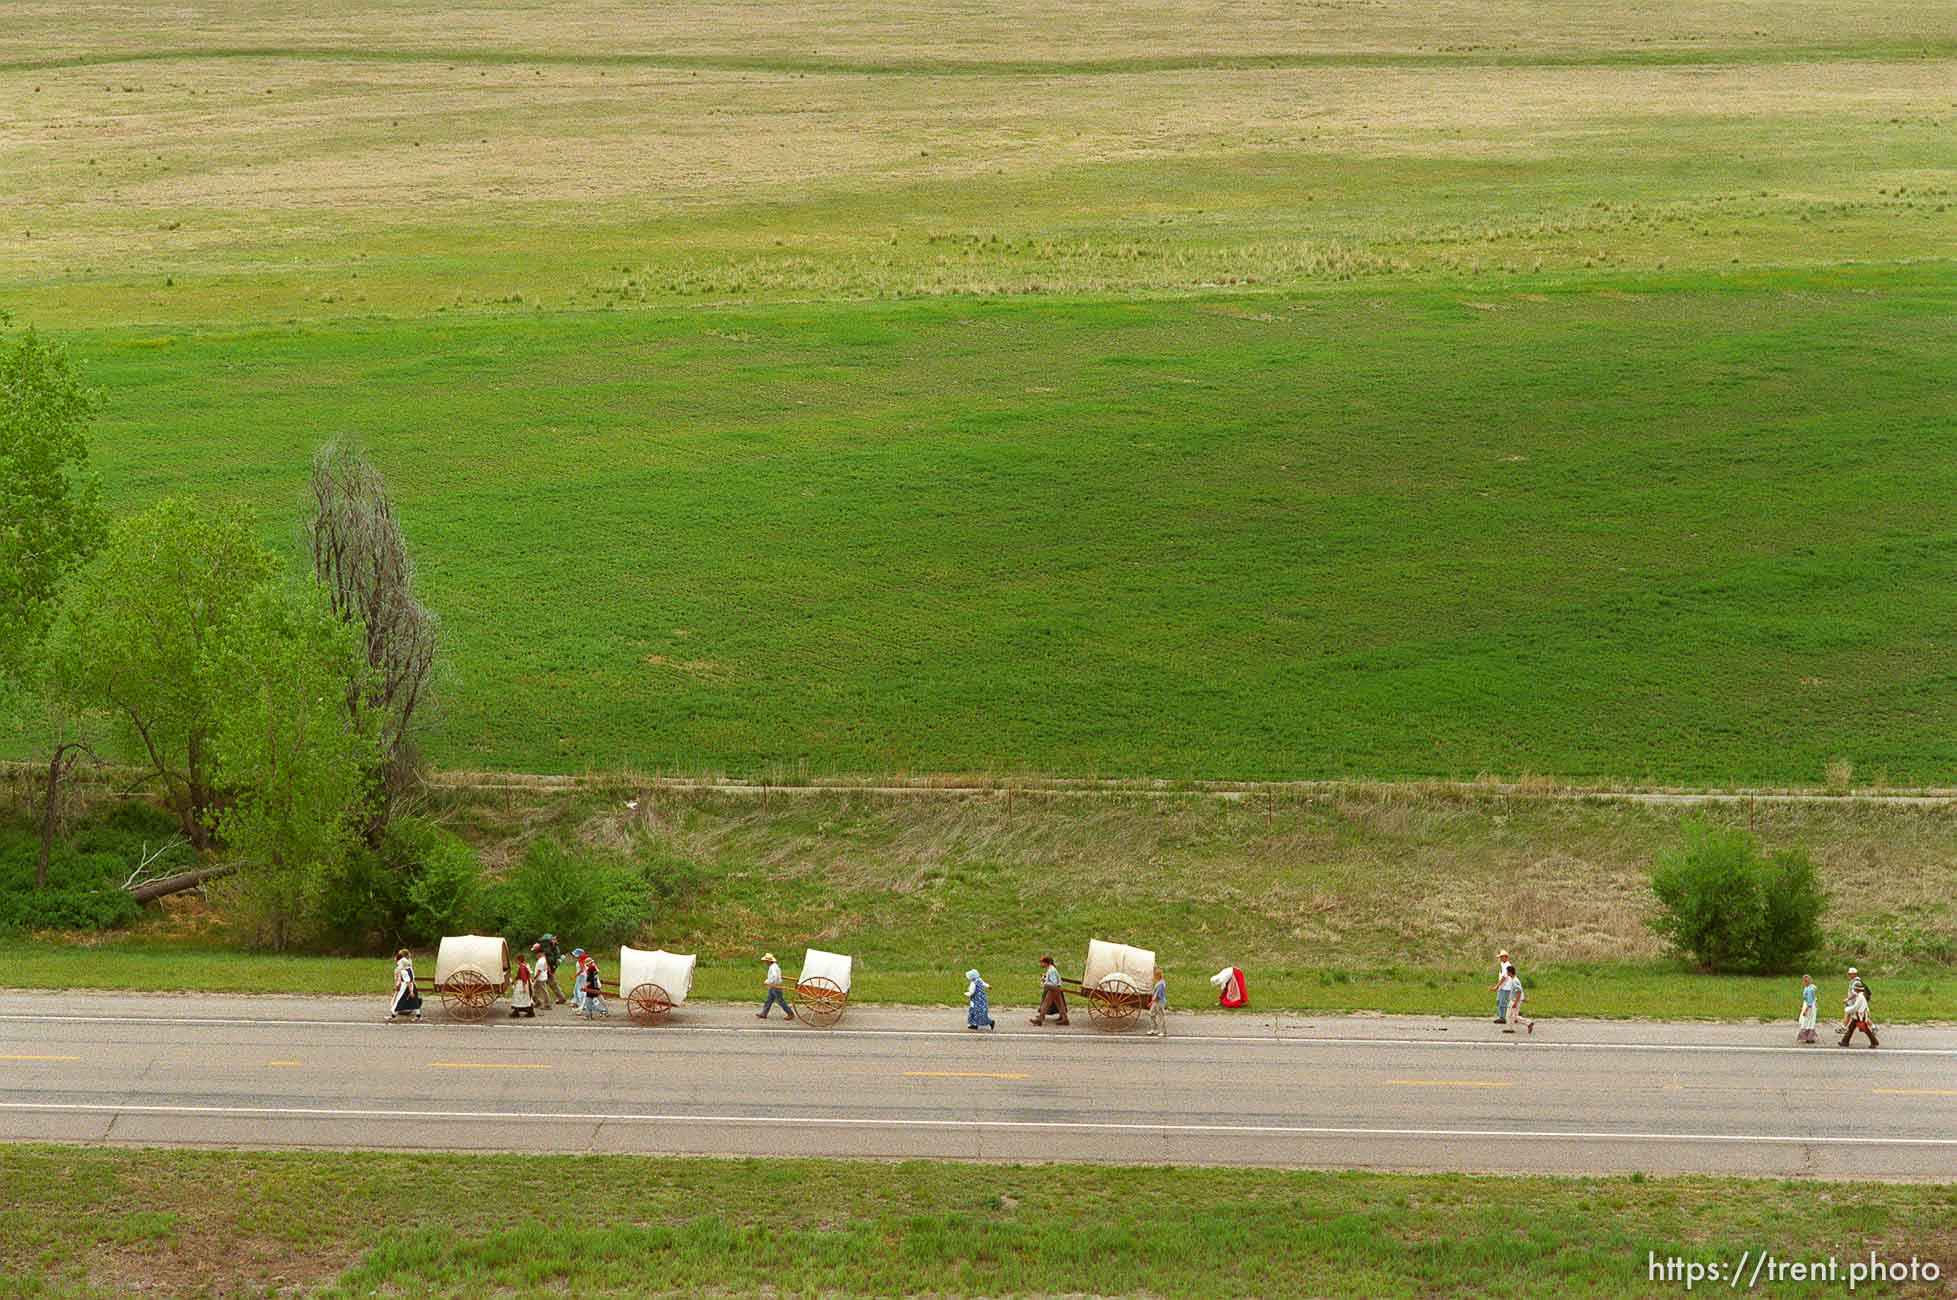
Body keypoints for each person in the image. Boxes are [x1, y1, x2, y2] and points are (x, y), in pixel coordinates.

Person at [1029, 955, 1069, 1026]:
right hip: (1056, 989)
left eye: (1041, 962)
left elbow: (1054, 983)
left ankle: (1040, 1020)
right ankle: (1065, 1019)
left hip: (1053, 989)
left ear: (1046, 963)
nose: (1040, 964)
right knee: (1060, 1004)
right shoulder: (1050, 969)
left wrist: (1044, 982)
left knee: (1046, 1003)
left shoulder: (1051, 970)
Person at [1840, 979, 1877, 1048]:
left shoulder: (1860, 997)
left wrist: (1847, 1009)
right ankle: (1845, 1041)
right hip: (1859, 1015)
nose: (1854, 990)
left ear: (1857, 990)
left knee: (1866, 1030)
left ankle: (1874, 1042)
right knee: (1851, 1028)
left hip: (1859, 1016)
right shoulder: (1860, 996)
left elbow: (1855, 1007)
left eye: (1855, 989)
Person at [757, 952, 795, 1020]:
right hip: (773, 986)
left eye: (766, 961)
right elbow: (774, 976)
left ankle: (790, 1013)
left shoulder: (772, 968)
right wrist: (768, 981)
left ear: (769, 961)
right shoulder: (774, 966)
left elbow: (774, 976)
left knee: (780, 1001)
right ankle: (764, 1013)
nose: (765, 963)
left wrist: (768, 982)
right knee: (768, 1000)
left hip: (775, 986)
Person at [387, 949, 422, 1022]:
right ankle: (418, 1016)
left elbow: (407, 981)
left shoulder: (404, 971)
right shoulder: (409, 968)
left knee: (398, 1000)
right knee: (414, 1001)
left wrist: (411, 991)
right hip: (413, 985)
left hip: (406, 987)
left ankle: (393, 1016)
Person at [535, 934, 567, 1005]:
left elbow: (549, 960)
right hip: (550, 968)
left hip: (547, 969)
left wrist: (549, 969)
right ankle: (561, 998)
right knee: (552, 984)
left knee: (538, 984)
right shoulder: (553, 947)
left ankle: (537, 1000)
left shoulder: (549, 949)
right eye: (554, 939)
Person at [1502, 964, 1534, 1034]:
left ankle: (1527, 1023)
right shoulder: (1515, 979)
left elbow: (1518, 992)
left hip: (1514, 1000)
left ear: (1510, 972)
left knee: (1510, 1015)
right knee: (1513, 1016)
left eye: (1507, 972)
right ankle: (1527, 1023)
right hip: (1516, 1000)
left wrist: (1515, 1003)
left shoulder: (1514, 981)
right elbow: (1520, 990)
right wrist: (1523, 998)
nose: (1507, 973)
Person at [577, 950, 609, 1019]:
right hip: (596, 986)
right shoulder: (594, 969)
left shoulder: (590, 970)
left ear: (588, 964)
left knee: (588, 1003)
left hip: (591, 988)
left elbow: (589, 980)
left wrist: (584, 987)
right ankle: (604, 1011)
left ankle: (600, 1011)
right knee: (601, 1000)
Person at [529, 943, 558, 1010]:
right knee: (536, 990)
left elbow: (539, 971)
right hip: (543, 977)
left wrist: (534, 978)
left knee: (543, 991)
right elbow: (547, 967)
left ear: (540, 953)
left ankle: (547, 1005)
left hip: (540, 978)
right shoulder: (544, 959)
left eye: (537, 954)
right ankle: (538, 1002)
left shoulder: (541, 961)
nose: (536, 955)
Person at [509, 952, 536, 1019]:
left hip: (522, 984)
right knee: (522, 998)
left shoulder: (522, 967)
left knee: (519, 997)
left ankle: (517, 1011)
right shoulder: (523, 966)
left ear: (519, 960)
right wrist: (513, 981)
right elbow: (518, 976)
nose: (515, 961)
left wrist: (524, 987)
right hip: (522, 983)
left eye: (516, 960)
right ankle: (527, 1011)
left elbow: (524, 977)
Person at [1796, 975, 1818, 1044]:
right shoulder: (1811, 988)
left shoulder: (1809, 990)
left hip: (1809, 1007)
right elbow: (1813, 999)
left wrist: (1805, 1010)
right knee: (1810, 1021)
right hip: (1811, 1006)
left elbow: (1809, 1002)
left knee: (1807, 1021)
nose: (1804, 982)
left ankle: (1808, 1037)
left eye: (1805, 981)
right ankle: (1809, 1037)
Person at [1147, 967, 1168, 1037]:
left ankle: (1163, 1031)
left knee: (1161, 1016)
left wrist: (1151, 1002)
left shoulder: (1161, 984)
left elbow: (1157, 995)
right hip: (1156, 1001)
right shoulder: (1159, 982)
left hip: (1159, 1002)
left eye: (1155, 975)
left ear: (1158, 975)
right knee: (1151, 1014)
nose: (1154, 976)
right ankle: (1154, 1028)